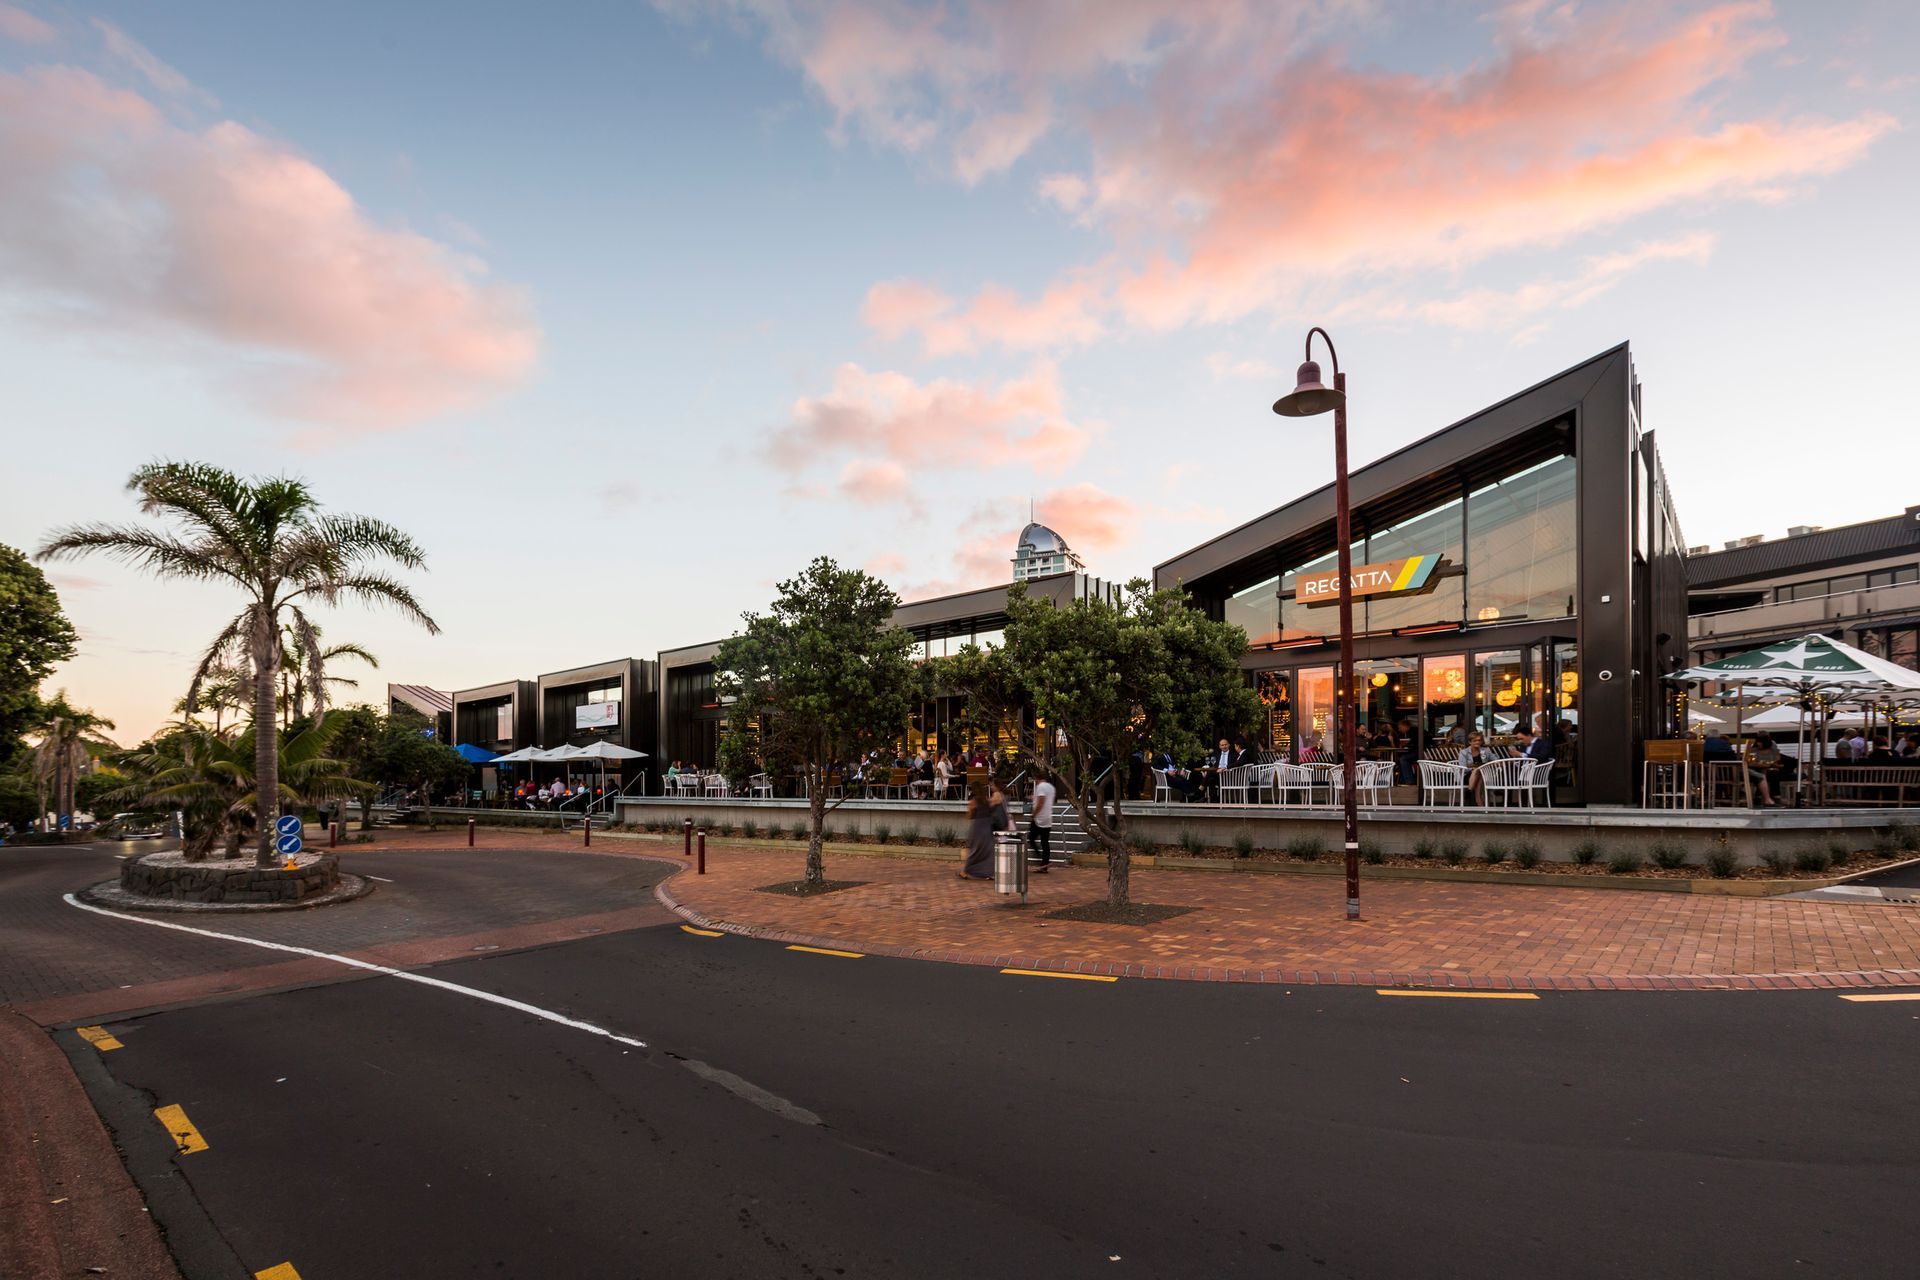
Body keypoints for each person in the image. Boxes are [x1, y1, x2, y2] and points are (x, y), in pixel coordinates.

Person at [1028, 767, 1056, 873]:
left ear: (1037, 777)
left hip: (1039, 818)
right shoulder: (1051, 787)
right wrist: (1033, 797)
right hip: (1048, 817)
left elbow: (1041, 802)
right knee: (1045, 842)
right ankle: (1044, 864)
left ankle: (1040, 858)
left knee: (1031, 838)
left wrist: (1033, 814)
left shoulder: (1040, 787)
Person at [1457, 731, 1493, 803]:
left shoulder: (1486, 750)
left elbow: (1495, 759)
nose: (1477, 742)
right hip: (1467, 776)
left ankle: (1469, 791)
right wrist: (1472, 768)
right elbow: (1462, 767)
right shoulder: (1464, 752)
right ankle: (1479, 802)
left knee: (1478, 772)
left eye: (1479, 740)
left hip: (1483, 775)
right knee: (1477, 771)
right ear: (1470, 742)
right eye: (1475, 740)